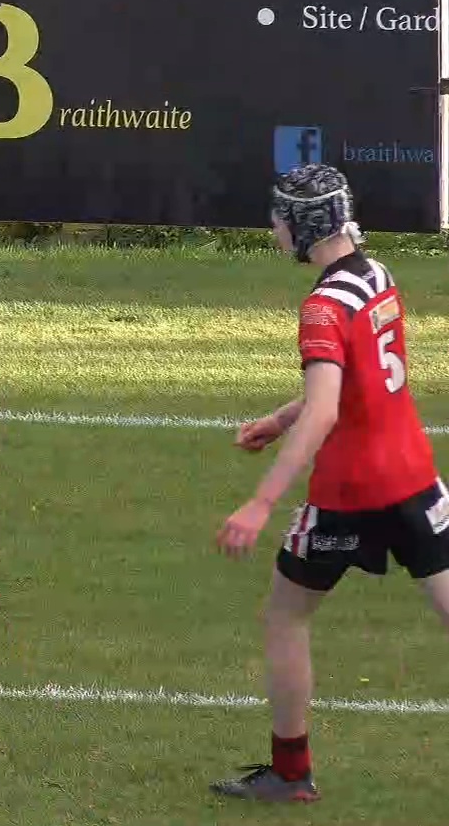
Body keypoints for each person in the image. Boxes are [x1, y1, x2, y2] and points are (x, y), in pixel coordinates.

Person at [213, 164, 449, 803]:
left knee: (286, 617)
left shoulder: (321, 305)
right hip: (415, 474)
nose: (274, 229)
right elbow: (356, 380)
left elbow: (325, 410)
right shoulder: (378, 275)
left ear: (305, 225)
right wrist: (277, 417)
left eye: (279, 218)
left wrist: (261, 503)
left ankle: (291, 772)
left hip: (350, 492)